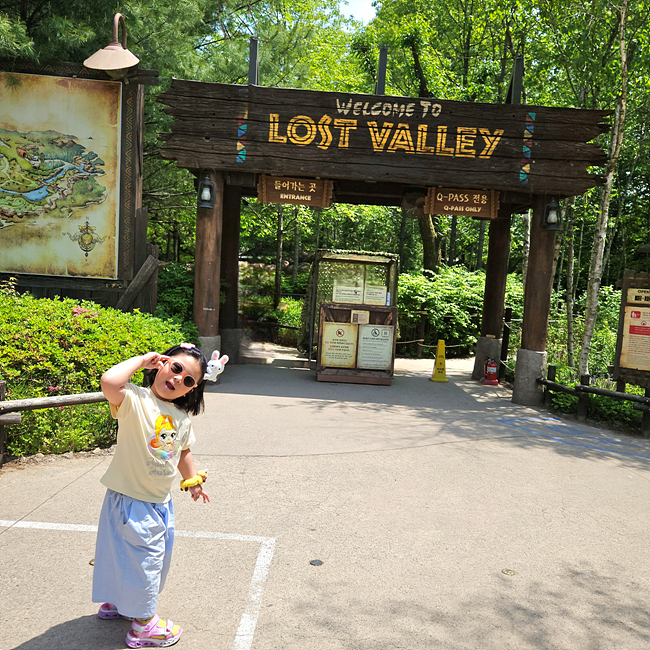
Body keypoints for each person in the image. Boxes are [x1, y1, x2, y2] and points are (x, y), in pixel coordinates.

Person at [92, 343, 210, 648]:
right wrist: (143, 360)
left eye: (188, 380)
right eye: (176, 367)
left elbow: (183, 452)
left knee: (123, 555)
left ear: (192, 389)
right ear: (162, 364)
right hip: (132, 500)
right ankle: (144, 624)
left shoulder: (181, 417)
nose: (178, 378)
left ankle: (119, 601)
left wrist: (192, 482)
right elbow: (109, 382)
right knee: (147, 561)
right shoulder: (135, 399)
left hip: (156, 501)